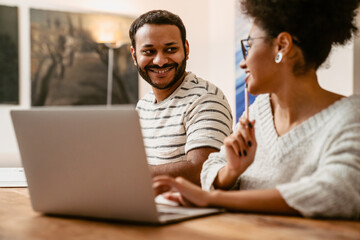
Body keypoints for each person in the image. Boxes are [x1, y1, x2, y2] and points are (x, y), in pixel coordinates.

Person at [153, 0, 360, 219]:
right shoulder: (260, 111)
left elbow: (335, 192)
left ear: (282, 46)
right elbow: (214, 165)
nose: (243, 63)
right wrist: (231, 171)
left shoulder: (350, 117)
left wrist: (214, 199)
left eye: (249, 46)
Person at [129, 10, 233, 185]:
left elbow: (202, 169)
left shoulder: (205, 99)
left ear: (186, 49)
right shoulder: (143, 105)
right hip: (153, 205)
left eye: (170, 49)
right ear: (134, 56)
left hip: (195, 210)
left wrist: (128, 174)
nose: (160, 61)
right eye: (149, 52)